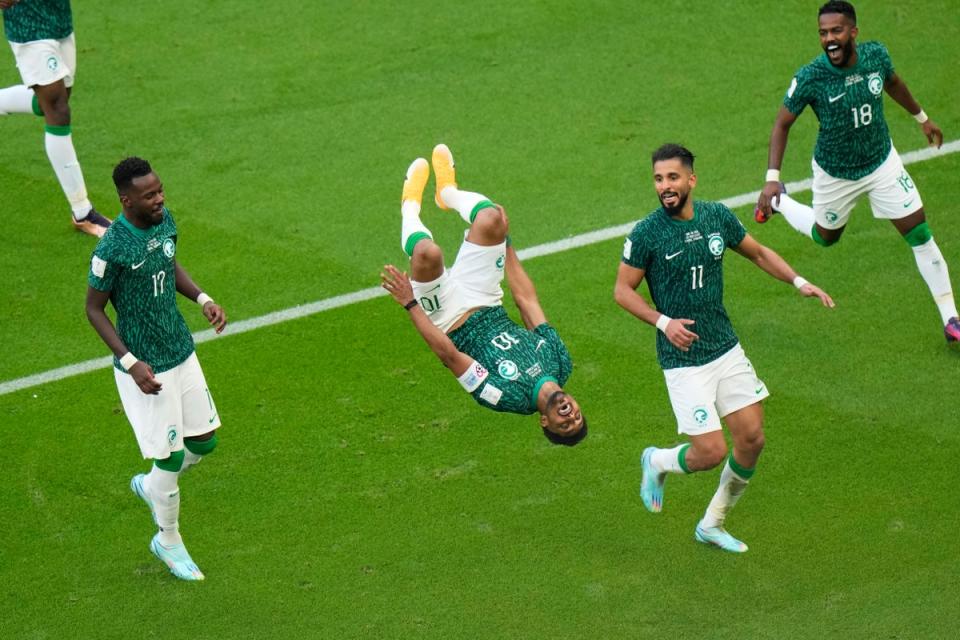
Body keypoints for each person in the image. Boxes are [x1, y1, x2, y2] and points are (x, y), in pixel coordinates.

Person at [615, 144, 834, 552]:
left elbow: (758, 253)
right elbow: (622, 291)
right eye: (659, 179)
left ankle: (712, 523)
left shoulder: (716, 217)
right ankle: (658, 461)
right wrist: (664, 323)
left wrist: (798, 281)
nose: (665, 186)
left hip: (725, 348)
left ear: (691, 180)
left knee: (752, 439)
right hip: (683, 360)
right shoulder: (647, 233)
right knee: (711, 451)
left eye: (673, 178)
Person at [754, 0, 959, 344]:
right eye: (823, 33)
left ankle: (951, 318)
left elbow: (893, 83)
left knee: (920, 233)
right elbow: (782, 124)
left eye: (836, 31)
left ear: (853, 32)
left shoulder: (876, 56)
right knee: (825, 237)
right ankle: (779, 203)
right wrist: (772, 179)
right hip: (836, 175)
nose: (829, 39)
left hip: (882, 163)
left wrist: (922, 119)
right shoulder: (811, 77)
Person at [380, 144, 587, 445]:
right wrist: (507, 241)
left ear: (545, 421)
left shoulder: (503, 396)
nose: (569, 416)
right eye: (577, 417)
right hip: (486, 297)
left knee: (428, 253)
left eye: (564, 425)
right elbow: (528, 302)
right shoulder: (560, 362)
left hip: (449, 317)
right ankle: (447, 193)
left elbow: (449, 356)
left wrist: (410, 303)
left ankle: (409, 206)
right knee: (492, 218)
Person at [85, 157, 226, 581]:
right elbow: (94, 309)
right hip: (146, 368)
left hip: (181, 349)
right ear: (127, 201)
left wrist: (203, 299)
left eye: (160, 190)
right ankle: (167, 539)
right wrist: (131, 364)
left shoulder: (164, 221)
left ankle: (151, 487)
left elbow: (169, 262)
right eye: (150, 195)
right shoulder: (111, 247)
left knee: (203, 443)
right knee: (171, 458)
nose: (160, 198)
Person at [0, 0, 110, 237]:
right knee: (57, 110)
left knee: (49, 102)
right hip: (28, 24)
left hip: (58, 15)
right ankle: (83, 212)